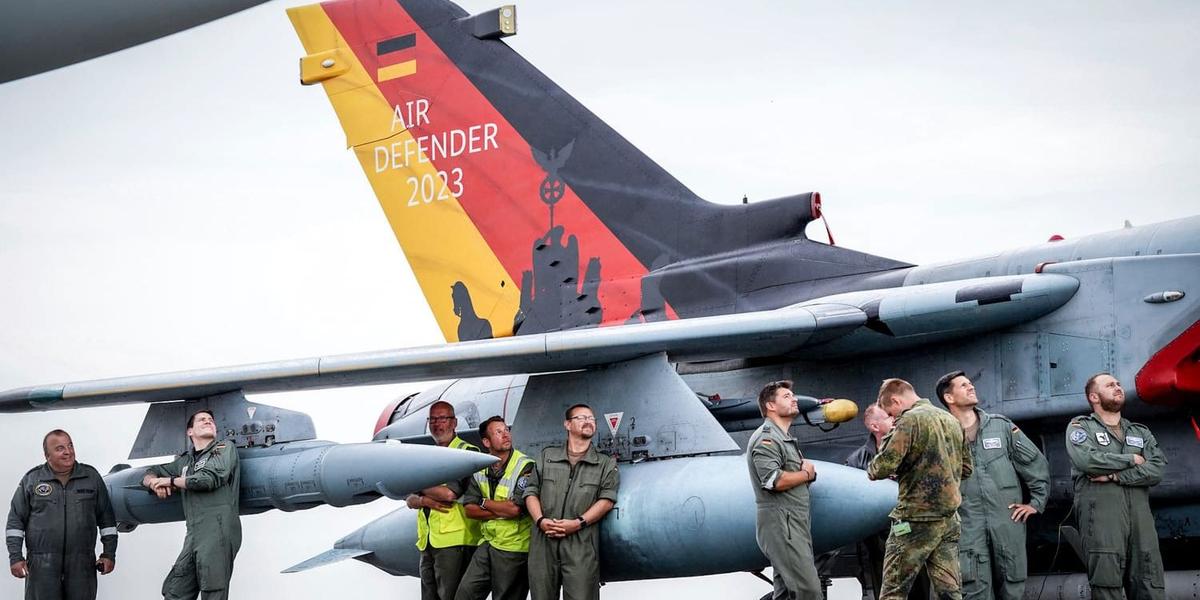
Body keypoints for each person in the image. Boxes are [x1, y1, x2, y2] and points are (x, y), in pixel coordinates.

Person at [934, 371, 1049, 600]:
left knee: (1013, 584)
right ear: (949, 398)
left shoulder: (1001, 426)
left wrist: (1036, 502)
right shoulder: (939, 435)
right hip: (966, 525)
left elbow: (1035, 463)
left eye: (970, 383)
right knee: (973, 587)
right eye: (963, 385)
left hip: (1006, 521)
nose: (971, 387)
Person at [868, 378, 972, 600]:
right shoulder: (951, 420)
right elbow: (966, 468)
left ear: (896, 400)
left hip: (914, 520)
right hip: (948, 520)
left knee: (893, 592)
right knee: (950, 592)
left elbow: (879, 468)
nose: (893, 418)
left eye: (891, 413)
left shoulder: (909, 421)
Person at [1065, 373, 1166, 600]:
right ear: (1094, 397)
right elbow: (1086, 461)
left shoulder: (1139, 431)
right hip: (1103, 524)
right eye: (1110, 385)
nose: (1118, 387)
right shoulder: (1080, 427)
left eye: (1118, 384)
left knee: (1150, 584)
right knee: (1106, 586)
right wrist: (1131, 459)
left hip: (1141, 526)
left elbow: (1157, 470)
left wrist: (1114, 476)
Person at [141, 409, 241, 600]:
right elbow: (151, 471)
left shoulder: (223, 448)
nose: (208, 421)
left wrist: (170, 481)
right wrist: (153, 482)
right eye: (202, 420)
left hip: (218, 531)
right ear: (190, 431)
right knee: (175, 591)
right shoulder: (185, 462)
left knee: (213, 591)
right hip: (194, 534)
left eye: (211, 420)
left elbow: (209, 479)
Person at [6, 429, 117, 600]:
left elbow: (107, 520)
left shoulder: (91, 477)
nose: (68, 452)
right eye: (60, 448)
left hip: (82, 566)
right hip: (41, 567)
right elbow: (15, 522)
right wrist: (15, 557)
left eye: (70, 446)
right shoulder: (32, 479)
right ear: (47, 455)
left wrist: (109, 554)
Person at [524, 404, 619, 600]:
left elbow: (607, 500)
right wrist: (540, 521)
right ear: (567, 424)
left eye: (591, 419)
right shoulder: (547, 457)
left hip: (580, 545)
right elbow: (531, 491)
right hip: (543, 543)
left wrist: (578, 523)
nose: (588, 422)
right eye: (581, 418)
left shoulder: (605, 463)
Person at [845, 404, 930, 600]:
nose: (895, 419)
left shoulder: (913, 450)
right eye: (889, 416)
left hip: (914, 533)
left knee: (921, 588)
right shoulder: (857, 461)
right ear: (875, 426)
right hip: (879, 541)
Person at [746, 380, 822, 600]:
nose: (794, 399)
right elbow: (773, 480)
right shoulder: (767, 438)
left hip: (792, 523)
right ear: (770, 406)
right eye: (787, 396)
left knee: (786, 593)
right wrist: (807, 474)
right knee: (809, 591)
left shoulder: (782, 438)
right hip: (783, 525)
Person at [406, 401, 483, 600]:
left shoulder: (466, 453)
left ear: (454, 422)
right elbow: (409, 500)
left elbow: (449, 494)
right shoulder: (428, 456)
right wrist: (424, 500)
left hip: (455, 541)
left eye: (442, 419)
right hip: (428, 541)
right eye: (432, 419)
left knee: (450, 596)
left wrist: (416, 484)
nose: (437, 424)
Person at [455, 416, 535, 600]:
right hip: (488, 542)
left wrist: (483, 502)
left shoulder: (525, 466)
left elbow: (514, 510)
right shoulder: (480, 468)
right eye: (498, 432)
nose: (506, 435)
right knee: (465, 594)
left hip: (514, 548)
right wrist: (500, 510)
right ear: (486, 442)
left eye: (506, 430)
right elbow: (470, 510)